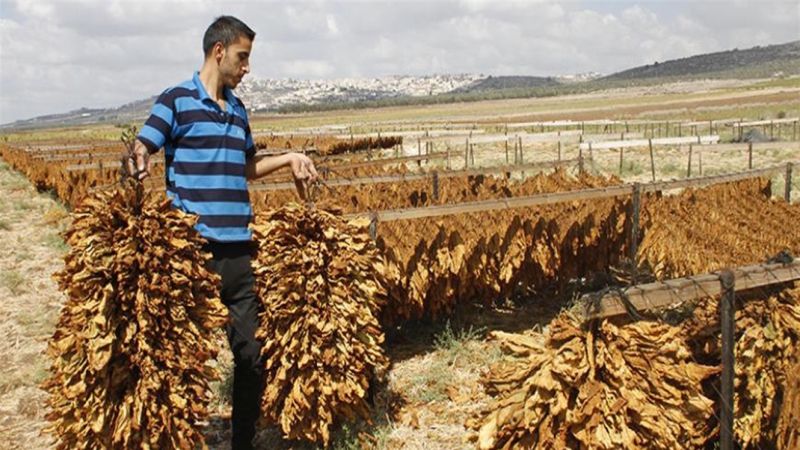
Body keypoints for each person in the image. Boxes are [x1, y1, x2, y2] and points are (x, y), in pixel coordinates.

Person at [127, 15, 318, 450]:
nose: (247, 67)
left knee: (251, 356)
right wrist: (136, 159)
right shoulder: (175, 101)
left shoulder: (237, 109)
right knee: (179, 364)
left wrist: (289, 157)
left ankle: (242, 441)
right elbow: (144, 145)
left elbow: (247, 167)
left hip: (238, 253)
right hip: (191, 256)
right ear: (219, 51)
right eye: (242, 57)